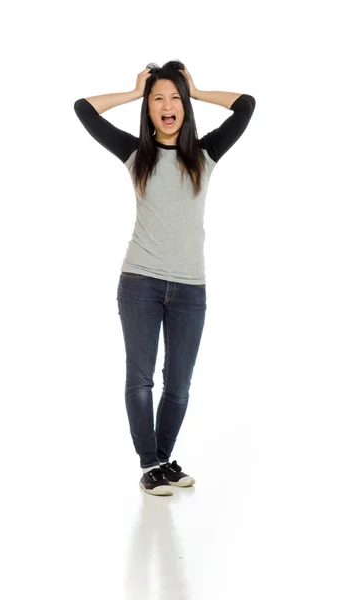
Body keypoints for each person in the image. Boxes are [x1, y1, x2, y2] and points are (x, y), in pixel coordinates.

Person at [73, 60, 256, 496]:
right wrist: (135, 90)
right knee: (140, 379)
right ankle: (150, 463)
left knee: (179, 384)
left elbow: (246, 106)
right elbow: (83, 109)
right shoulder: (137, 153)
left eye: (175, 97)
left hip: (191, 286)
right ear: (149, 109)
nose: (168, 105)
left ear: (185, 105)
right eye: (158, 99)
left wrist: (197, 89)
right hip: (140, 281)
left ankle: (162, 459)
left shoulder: (205, 153)